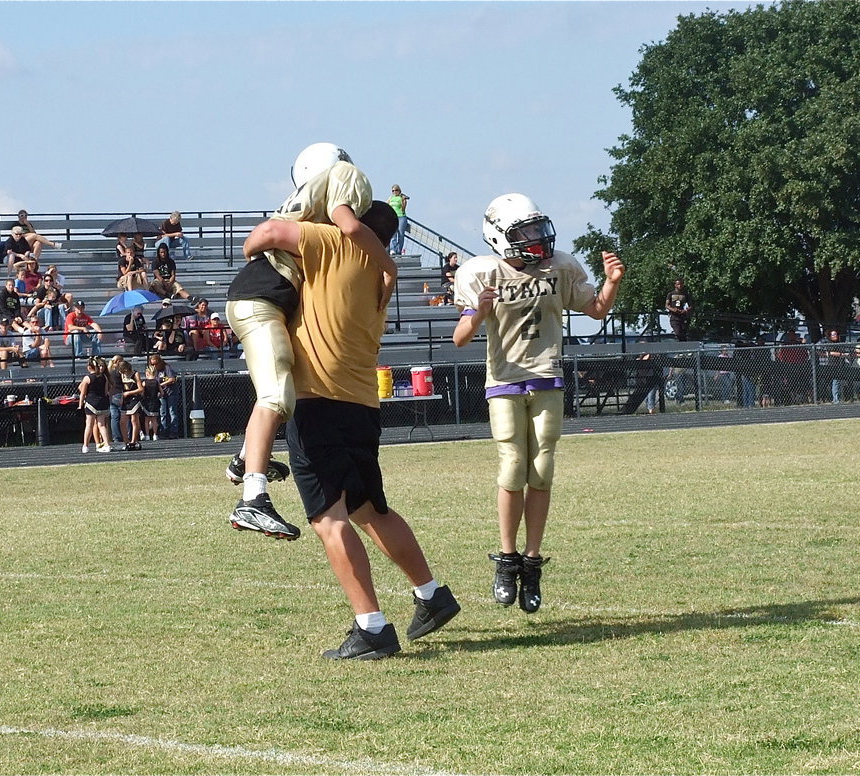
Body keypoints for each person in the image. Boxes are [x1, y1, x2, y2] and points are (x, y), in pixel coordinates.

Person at [240, 200, 459, 659]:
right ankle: (431, 593)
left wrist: (309, 214)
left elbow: (263, 236)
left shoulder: (332, 244)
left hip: (318, 399)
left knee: (328, 518)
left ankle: (372, 628)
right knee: (369, 509)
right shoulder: (382, 273)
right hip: (361, 402)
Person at [452, 193, 624, 616]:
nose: (536, 238)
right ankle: (507, 559)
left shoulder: (559, 266)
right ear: (499, 236)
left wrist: (612, 282)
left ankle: (532, 561)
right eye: (524, 231)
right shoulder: (483, 273)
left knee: (542, 468)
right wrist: (478, 312)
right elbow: (460, 338)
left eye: (536, 228)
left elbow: (597, 309)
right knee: (512, 465)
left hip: (546, 374)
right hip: (506, 378)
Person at [223, 143, 395, 532]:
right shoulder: (345, 181)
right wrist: (388, 266)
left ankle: (245, 458)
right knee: (276, 394)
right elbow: (345, 224)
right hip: (261, 298)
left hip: (265, 297)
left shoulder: (307, 211)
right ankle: (252, 497)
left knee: (279, 381)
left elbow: (265, 236)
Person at [78, 356, 113, 453]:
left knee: (89, 425)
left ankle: (85, 446)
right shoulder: (104, 377)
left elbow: (83, 393)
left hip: (91, 403)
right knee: (101, 425)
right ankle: (107, 444)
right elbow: (106, 391)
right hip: (102, 403)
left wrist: (80, 405)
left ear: (89, 367)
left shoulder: (87, 378)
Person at [114, 357, 144, 450]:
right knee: (122, 422)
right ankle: (126, 441)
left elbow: (141, 389)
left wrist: (129, 393)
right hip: (125, 399)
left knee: (134, 420)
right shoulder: (120, 375)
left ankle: (133, 441)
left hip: (134, 398)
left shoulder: (135, 374)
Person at [151, 353, 183, 438]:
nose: (154, 366)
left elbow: (172, 379)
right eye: (152, 364)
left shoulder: (166, 368)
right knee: (163, 413)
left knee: (172, 412)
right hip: (162, 394)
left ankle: (174, 432)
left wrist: (161, 385)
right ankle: (163, 431)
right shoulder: (154, 371)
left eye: (155, 364)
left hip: (171, 393)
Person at [141, 357, 164, 441]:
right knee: (154, 419)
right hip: (155, 401)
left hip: (147, 402)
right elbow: (162, 393)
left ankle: (147, 435)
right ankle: (155, 435)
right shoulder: (156, 382)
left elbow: (142, 392)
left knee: (147, 419)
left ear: (147, 373)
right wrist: (158, 396)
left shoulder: (144, 382)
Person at [387, 184, 410, 255]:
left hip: (401, 216)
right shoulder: (391, 198)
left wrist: (403, 200)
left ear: (399, 190)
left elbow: (403, 208)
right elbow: (387, 205)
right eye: (393, 191)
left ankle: (398, 250)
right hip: (393, 217)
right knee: (393, 233)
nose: (394, 192)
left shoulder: (402, 198)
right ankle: (392, 249)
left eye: (396, 190)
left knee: (401, 234)